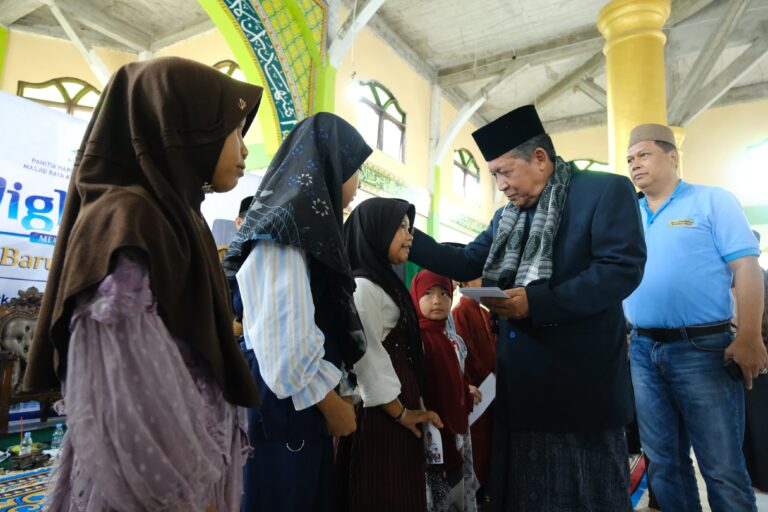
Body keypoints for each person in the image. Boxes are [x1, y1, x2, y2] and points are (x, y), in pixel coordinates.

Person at [23, 57, 263, 511]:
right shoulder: (128, 217)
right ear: (183, 125)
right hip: (153, 490)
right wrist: (184, 495)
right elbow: (125, 392)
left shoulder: (179, 217)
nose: (244, 149)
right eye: (234, 131)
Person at [407, 104, 646, 511]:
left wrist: (535, 303)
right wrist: (401, 227)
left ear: (539, 158)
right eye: (493, 175)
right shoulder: (506, 216)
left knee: (584, 493)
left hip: (578, 384)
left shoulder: (604, 191)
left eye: (504, 171)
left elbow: (620, 270)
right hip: (521, 384)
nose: (500, 185)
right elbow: (466, 261)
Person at [223, 112, 372, 512]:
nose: (358, 183)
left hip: (295, 404)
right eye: (355, 169)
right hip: (287, 406)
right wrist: (331, 405)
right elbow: (283, 343)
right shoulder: (285, 229)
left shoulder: (301, 225)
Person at [623, 123, 768, 511]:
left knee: (721, 464)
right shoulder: (627, 213)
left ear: (672, 156)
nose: (635, 165)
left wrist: (750, 336)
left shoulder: (712, 201)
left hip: (702, 348)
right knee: (664, 462)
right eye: (630, 159)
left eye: (644, 155)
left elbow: (747, 269)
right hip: (642, 349)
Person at [337, 197, 442, 512]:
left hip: (394, 417)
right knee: (383, 495)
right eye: (400, 228)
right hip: (380, 421)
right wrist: (402, 413)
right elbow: (366, 360)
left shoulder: (383, 283)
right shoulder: (363, 288)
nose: (409, 237)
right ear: (375, 231)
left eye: (409, 228)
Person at [411, 269, 480, 512]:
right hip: (429, 434)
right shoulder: (414, 341)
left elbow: (460, 376)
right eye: (428, 293)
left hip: (457, 433)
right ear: (415, 295)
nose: (437, 300)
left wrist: (467, 389)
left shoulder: (453, 340)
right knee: (434, 495)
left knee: (456, 489)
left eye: (443, 293)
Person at [452, 276, 495, 504]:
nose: (483, 280)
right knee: (477, 441)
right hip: (478, 390)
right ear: (465, 282)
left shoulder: (485, 311)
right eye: (478, 276)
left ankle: (486, 488)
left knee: (488, 439)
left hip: (491, 388)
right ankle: (477, 492)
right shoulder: (461, 310)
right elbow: (467, 351)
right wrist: (483, 374)